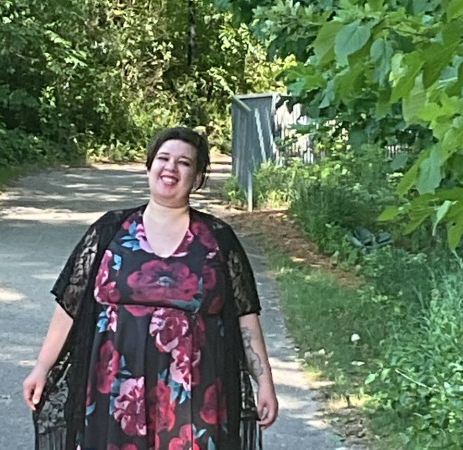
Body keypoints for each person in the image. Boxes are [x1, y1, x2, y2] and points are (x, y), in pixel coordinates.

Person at [23, 126, 278, 450]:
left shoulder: (218, 239)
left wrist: (265, 381)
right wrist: (42, 367)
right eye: (163, 158)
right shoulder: (109, 230)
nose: (171, 167)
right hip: (113, 396)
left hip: (194, 400)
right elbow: (69, 307)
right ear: (149, 166)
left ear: (198, 177)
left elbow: (245, 317)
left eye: (184, 163)